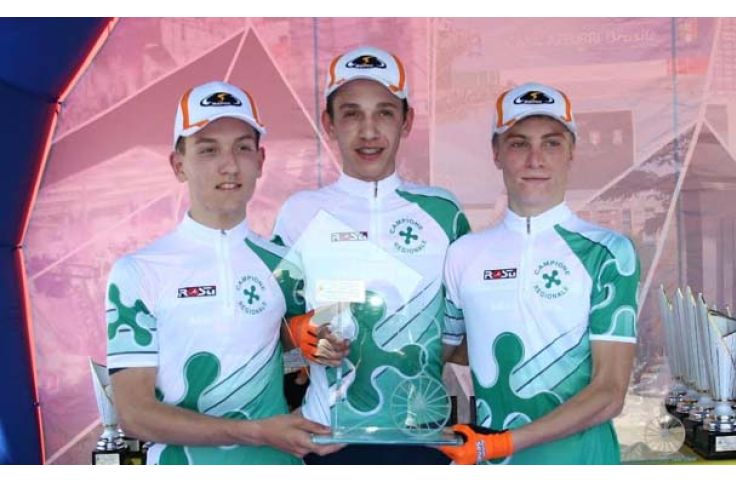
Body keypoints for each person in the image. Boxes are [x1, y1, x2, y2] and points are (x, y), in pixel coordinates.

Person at [106, 80, 343, 464]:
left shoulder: (287, 263)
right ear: (178, 165)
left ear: (261, 161)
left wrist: (320, 344)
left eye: (242, 148)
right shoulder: (138, 271)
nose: (229, 165)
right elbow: (135, 414)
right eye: (208, 149)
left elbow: (311, 347)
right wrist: (256, 431)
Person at [272, 46, 471, 464]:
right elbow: (272, 329)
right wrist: (299, 333)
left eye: (384, 113)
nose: (368, 131)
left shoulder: (443, 212)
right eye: (351, 114)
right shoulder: (300, 213)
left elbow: (466, 333)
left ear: (406, 121)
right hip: (327, 440)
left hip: (423, 439)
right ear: (328, 123)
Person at [439, 82, 640, 465]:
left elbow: (609, 393)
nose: (536, 160)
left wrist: (501, 444)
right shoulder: (463, 253)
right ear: (496, 152)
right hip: (492, 463)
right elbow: (437, 356)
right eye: (519, 144)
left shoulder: (608, 253)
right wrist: (336, 349)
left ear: (571, 151)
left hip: (582, 462)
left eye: (551, 143)